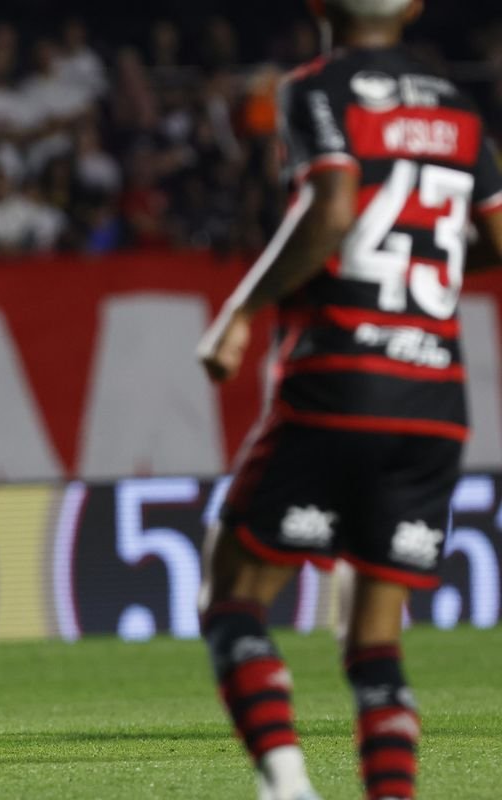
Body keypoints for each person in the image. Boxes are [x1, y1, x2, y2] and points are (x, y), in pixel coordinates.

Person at [195, 2, 502, 798]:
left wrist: (242, 311)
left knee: (232, 594)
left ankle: (287, 783)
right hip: (435, 400)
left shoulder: (317, 87)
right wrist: (427, 262)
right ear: (414, 8)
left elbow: (332, 206)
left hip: (340, 379)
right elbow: (497, 238)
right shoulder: (459, 110)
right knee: (374, 641)